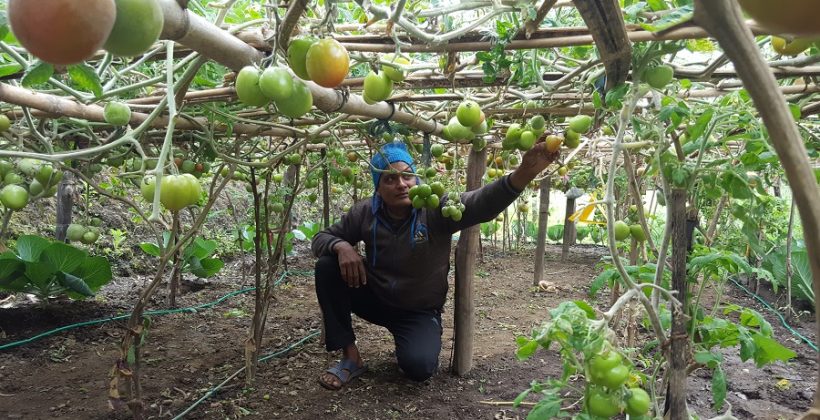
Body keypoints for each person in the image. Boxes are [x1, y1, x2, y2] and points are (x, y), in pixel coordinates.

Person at [311, 140, 559, 390]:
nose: (401, 184)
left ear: (416, 177)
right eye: (389, 179)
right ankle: (351, 357)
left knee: (419, 368)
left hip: (417, 311)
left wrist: (525, 172)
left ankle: (415, 339)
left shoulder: (435, 208)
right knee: (327, 266)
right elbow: (321, 238)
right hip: (375, 297)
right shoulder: (364, 212)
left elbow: (480, 203)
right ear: (378, 187)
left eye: (407, 175)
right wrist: (341, 246)